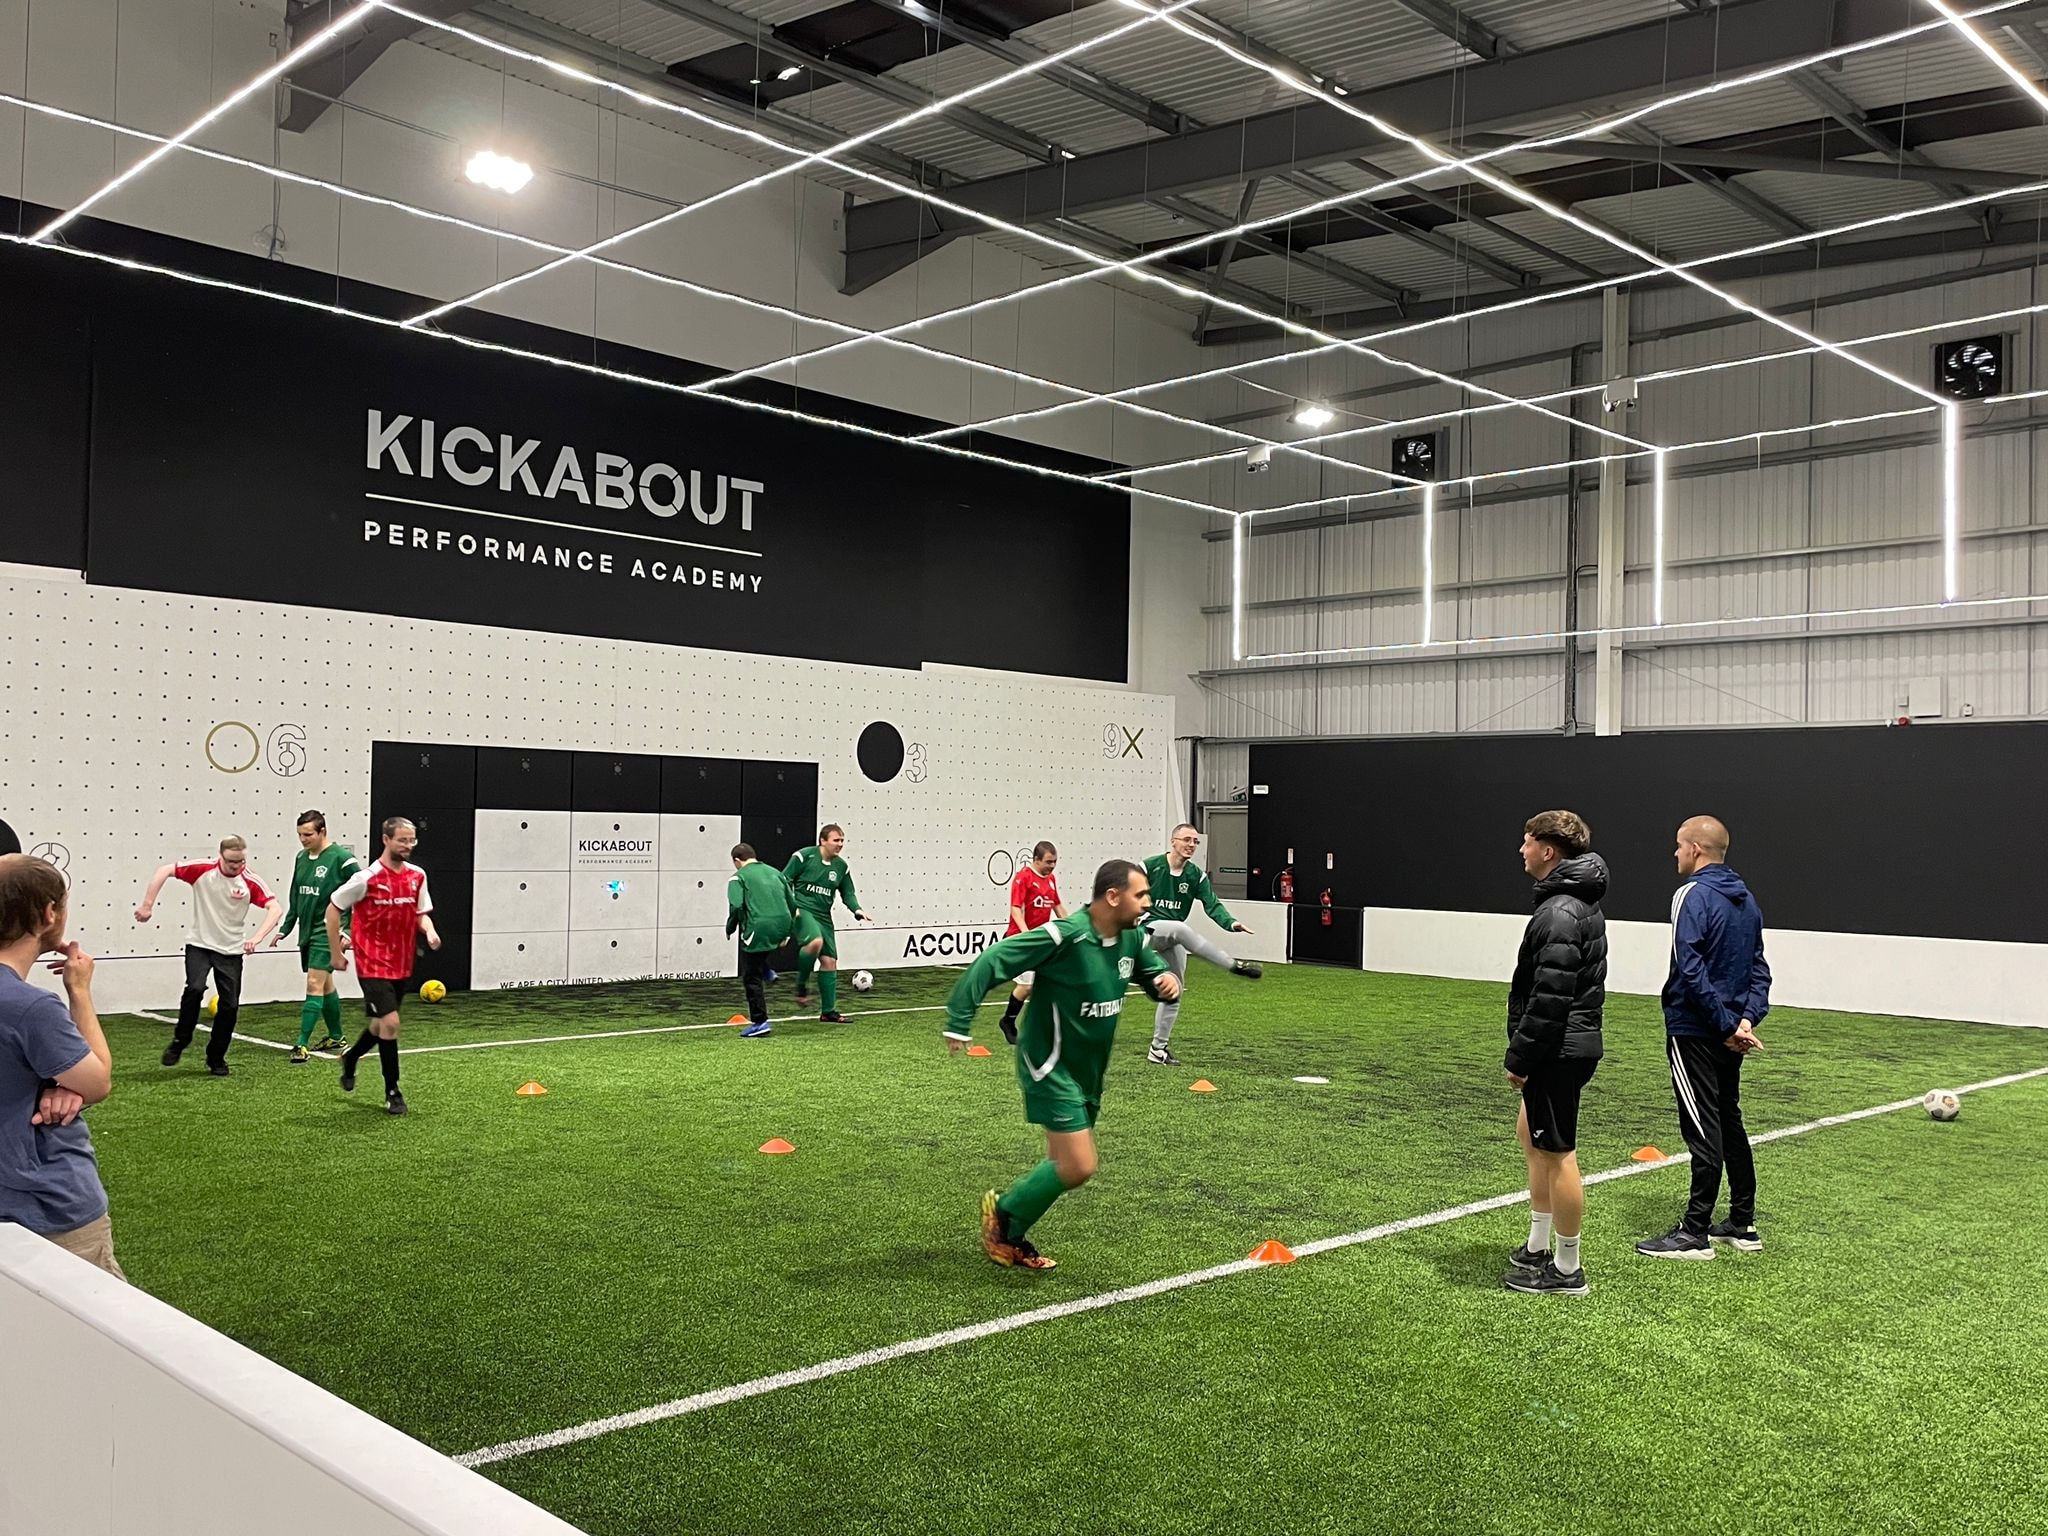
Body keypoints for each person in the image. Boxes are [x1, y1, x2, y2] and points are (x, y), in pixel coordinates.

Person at [943, 859, 1181, 1271]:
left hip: (1089, 1069)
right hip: (1049, 1064)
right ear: (1113, 896)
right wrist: (959, 1020)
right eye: (1140, 894)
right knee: (1078, 1165)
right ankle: (1002, 1214)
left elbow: (1150, 971)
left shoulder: (1131, 938)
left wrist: (1164, 980)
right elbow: (993, 960)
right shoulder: (1065, 935)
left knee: (1061, 1164)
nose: (1147, 902)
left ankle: (1010, 1236)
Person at [1636, 815, 1771, 1261]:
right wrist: (1745, 1020)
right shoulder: (1747, 900)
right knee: (1728, 1119)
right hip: (1728, 1031)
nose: (1675, 853)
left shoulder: (1690, 894)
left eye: (1679, 845)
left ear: (1695, 849)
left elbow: (1688, 967)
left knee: (1703, 1126)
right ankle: (1742, 1223)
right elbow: (1759, 970)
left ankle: (1694, 1232)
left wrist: (1727, 1024)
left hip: (1696, 1028)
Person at [1501, 810, 1607, 1298]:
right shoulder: (1570, 903)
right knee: (1532, 1135)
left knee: (1558, 1154)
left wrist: (1520, 1058)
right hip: (1564, 1046)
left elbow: (1550, 998)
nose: (1520, 851)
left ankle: (1567, 1269)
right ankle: (1538, 1244)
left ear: (1548, 850)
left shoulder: (1560, 910)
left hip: (1558, 1050)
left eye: (1526, 842)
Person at [0, 853, 121, 1278]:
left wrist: (55, 1082)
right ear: (49, 913)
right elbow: (97, 1081)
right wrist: (79, 990)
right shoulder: (30, 1008)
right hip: (45, 1208)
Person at [135, 834, 281, 1076]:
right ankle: (181, 1040)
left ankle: (216, 1057)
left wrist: (257, 937)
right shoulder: (203, 870)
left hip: (231, 951)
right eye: (231, 862)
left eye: (241, 861)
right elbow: (164, 870)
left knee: (230, 1006)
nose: (236, 866)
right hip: (200, 945)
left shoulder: (249, 881)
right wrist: (147, 905)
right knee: (194, 988)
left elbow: (275, 908)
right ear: (221, 856)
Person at [325, 817, 440, 1116]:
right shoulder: (366, 878)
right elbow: (333, 909)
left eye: (412, 840)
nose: (408, 845)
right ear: (386, 840)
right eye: (402, 840)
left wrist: (429, 931)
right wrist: (336, 952)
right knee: (391, 1024)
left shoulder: (417, 876)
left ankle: (351, 1058)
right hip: (372, 963)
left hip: (402, 962)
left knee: (379, 1026)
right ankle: (393, 1091)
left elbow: (420, 914)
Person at [1140, 823, 1258, 1065]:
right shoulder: (1149, 867)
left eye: (1195, 841)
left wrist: (1231, 923)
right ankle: (1232, 966)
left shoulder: (1196, 875)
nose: (1191, 845)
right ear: (1173, 841)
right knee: (1179, 928)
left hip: (1172, 937)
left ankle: (1158, 1049)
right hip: (1144, 931)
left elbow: (1212, 904)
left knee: (1174, 991)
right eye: (1187, 840)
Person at [274, 810, 363, 1062]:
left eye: (308, 834)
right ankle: (336, 1037)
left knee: (314, 982)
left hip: (329, 931)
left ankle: (301, 1044)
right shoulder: (301, 858)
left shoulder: (343, 859)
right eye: (300, 835)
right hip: (308, 930)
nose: (303, 839)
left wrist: (349, 931)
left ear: (322, 831)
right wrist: (285, 927)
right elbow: (296, 895)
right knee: (325, 984)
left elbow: (362, 896)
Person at [784, 825, 872, 1022]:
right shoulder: (803, 856)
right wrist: (791, 906)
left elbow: (848, 893)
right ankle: (801, 986)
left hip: (824, 916)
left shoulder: (841, 866)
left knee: (829, 961)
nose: (840, 844)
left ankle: (828, 1012)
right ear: (822, 841)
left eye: (842, 840)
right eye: (836, 840)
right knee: (815, 942)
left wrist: (857, 910)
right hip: (802, 911)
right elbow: (784, 880)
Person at [995, 841, 1068, 1045]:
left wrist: (1072, 927)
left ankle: (1044, 1028)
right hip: (1020, 940)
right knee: (1027, 986)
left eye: (1055, 861)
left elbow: (1057, 906)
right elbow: (1015, 909)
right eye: (1048, 862)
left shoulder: (1051, 879)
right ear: (1036, 860)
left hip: (1041, 941)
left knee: (1049, 982)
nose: (1052, 866)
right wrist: (1026, 935)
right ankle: (1008, 1021)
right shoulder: (1023, 878)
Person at [728, 843, 798, 1038]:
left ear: (736, 861)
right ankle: (767, 971)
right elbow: (792, 904)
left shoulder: (738, 877)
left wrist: (730, 926)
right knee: (755, 954)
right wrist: (788, 932)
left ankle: (760, 1022)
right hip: (782, 924)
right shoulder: (776, 873)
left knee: (750, 975)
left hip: (760, 926)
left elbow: (736, 906)